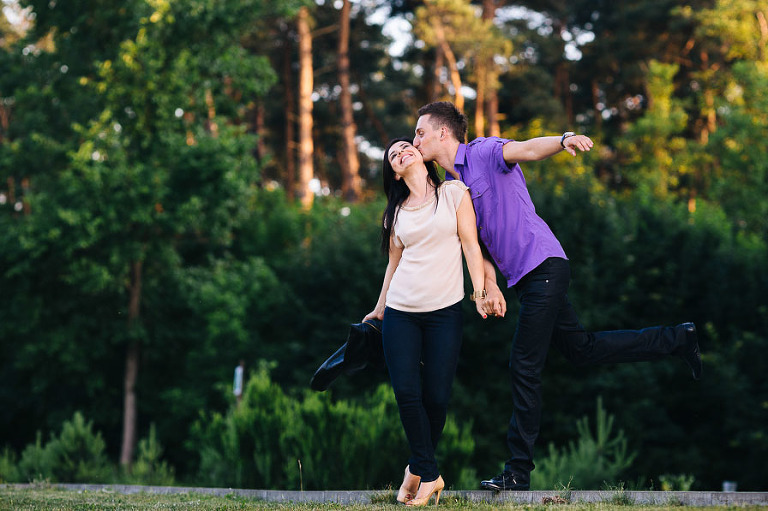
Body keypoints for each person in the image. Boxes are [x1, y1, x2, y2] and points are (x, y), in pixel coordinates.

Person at [411, 101, 702, 492]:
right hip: (528, 279)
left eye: (420, 132)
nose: (416, 140)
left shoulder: (481, 152)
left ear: (443, 133)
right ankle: (678, 339)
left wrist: (563, 139)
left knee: (523, 365)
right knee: (581, 350)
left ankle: (517, 472)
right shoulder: (452, 187)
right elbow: (478, 246)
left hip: (544, 266)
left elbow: (527, 148)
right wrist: (488, 286)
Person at [363, 137, 489, 506]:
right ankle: (431, 476)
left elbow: (470, 245)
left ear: (419, 156)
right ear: (395, 172)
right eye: (393, 155)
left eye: (405, 145)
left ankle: (416, 469)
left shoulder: (453, 193)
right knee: (406, 392)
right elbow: (393, 265)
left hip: (444, 313)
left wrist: (479, 293)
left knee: (436, 398)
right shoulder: (395, 213)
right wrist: (380, 307)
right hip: (401, 312)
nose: (402, 151)